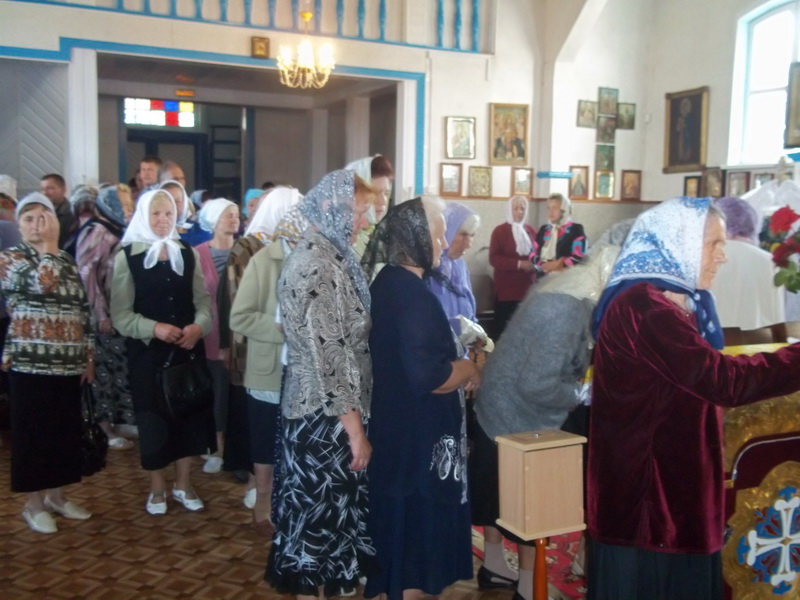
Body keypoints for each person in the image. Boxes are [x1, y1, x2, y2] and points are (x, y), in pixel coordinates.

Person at [587, 197, 800, 600]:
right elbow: (723, 381)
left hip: (670, 494)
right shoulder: (645, 308)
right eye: (713, 244)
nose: (723, 256)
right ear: (676, 242)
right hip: (650, 507)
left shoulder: (675, 300)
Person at [473, 237, 627, 600]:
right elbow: (537, 384)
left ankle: (495, 567)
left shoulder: (570, 288)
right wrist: (581, 394)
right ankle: (529, 589)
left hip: (502, 399)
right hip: (514, 410)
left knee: (498, 494)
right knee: (529, 503)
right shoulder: (568, 310)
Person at [266, 170, 377, 598]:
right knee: (316, 524)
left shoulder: (331, 254)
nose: (364, 223)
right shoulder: (316, 264)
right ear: (333, 208)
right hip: (323, 419)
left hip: (327, 413)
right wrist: (355, 432)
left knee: (329, 521)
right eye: (361, 213)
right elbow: (330, 358)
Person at [363, 197, 480, 600]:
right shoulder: (412, 295)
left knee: (398, 543)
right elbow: (430, 376)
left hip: (396, 431)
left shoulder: (389, 281)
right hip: (415, 445)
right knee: (415, 551)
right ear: (414, 237)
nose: (443, 242)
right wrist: (468, 368)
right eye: (438, 234)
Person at [110, 189, 215, 516]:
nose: (162, 220)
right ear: (143, 216)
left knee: (187, 419)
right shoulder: (127, 256)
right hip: (149, 356)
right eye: (155, 214)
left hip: (186, 351)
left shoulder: (187, 252)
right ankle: (157, 488)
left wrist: (198, 327)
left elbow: (203, 303)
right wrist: (153, 328)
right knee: (153, 422)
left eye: (168, 213)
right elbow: (121, 315)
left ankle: (183, 484)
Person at [2, 193, 95, 533]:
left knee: (63, 434)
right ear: (18, 225)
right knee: (33, 436)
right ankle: (34, 504)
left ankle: (57, 496)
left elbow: (82, 309)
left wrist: (88, 355)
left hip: (68, 363)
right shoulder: (10, 259)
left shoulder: (66, 259)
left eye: (43, 218)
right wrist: (49, 247)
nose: (36, 225)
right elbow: (43, 284)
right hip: (30, 364)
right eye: (29, 219)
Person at [229, 187, 302, 535]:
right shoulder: (262, 260)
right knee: (263, 440)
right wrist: (279, 329)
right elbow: (239, 317)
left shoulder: (313, 261)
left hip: (301, 370)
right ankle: (262, 500)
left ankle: (288, 504)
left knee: (291, 440)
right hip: (268, 367)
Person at [71, 185, 135, 450]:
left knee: (117, 370)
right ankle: (104, 428)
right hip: (101, 318)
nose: (128, 209)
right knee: (102, 374)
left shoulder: (117, 229)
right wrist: (100, 315)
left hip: (118, 314)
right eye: (123, 204)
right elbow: (87, 275)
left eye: (130, 204)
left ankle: (118, 423)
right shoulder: (96, 231)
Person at [194, 198, 240, 474]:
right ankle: (215, 446)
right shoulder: (198, 254)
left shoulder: (244, 250)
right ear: (213, 219)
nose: (234, 219)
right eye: (227, 215)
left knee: (232, 393)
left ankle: (231, 448)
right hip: (209, 333)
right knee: (215, 393)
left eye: (236, 215)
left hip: (238, 334)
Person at [711, 196, 785, 331]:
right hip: (759, 340)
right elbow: (777, 316)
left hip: (714, 338)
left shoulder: (707, 256)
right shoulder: (770, 261)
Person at [489, 195, 537, 336]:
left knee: (525, 329)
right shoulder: (500, 231)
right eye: (515, 208)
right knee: (503, 329)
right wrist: (519, 264)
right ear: (509, 210)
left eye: (522, 208)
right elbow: (494, 258)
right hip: (507, 290)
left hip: (527, 288)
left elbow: (538, 253)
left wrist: (536, 263)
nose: (519, 212)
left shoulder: (531, 231)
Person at [428, 202, 480, 324]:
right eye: (463, 234)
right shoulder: (429, 266)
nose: (468, 244)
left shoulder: (460, 265)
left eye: (472, 235)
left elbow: (470, 309)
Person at [534, 193, 586, 275]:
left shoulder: (576, 229)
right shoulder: (544, 229)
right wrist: (542, 265)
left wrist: (559, 264)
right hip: (542, 276)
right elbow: (532, 252)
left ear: (564, 210)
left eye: (554, 208)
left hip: (565, 278)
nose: (551, 212)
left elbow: (579, 256)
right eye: (549, 208)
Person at [40, 173, 77, 248]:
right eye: (42, 189)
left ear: (63, 189)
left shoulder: (73, 214)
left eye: (50, 188)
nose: (45, 193)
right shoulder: (39, 212)